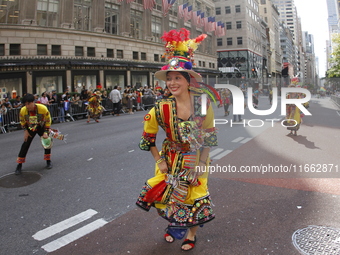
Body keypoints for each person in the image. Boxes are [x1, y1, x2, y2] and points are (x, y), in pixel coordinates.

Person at [135, 28, 217, 252]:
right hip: (169, 158)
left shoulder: (202, 104)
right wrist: (159, 159)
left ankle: (191, 233)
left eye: (177, 78)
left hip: (196, 157)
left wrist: (202, 162)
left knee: (195, 195)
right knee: (169, 195)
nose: (171, 83)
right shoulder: (160, 108)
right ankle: (176, 224)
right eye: (169, 78)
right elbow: (148, 137)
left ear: (188, 80)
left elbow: (209, 136)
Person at [15, 94, 52, 175]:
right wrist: (25, 131)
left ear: (33, 102)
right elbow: (22, 121)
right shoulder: (23, 110)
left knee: (47, 142)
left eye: (28, 104)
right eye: (25, 104)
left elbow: (48, 120)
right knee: (25, 144)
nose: (27, 106)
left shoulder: (42, 108)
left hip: (41, 126)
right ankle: (19, 164)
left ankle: (48, 160)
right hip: (30, 127)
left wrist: (46, 132)